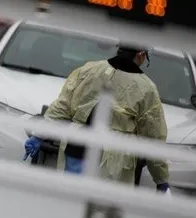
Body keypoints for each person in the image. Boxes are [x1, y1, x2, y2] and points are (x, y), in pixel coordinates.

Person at [23, 45, 171, 193]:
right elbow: (153, 136)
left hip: (77, 147)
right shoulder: (146, 88)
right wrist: (161, 179)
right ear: (140, 54)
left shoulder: (89, 69)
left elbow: (62, 106)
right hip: (114, 160)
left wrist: (38, 135)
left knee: (71, 202)